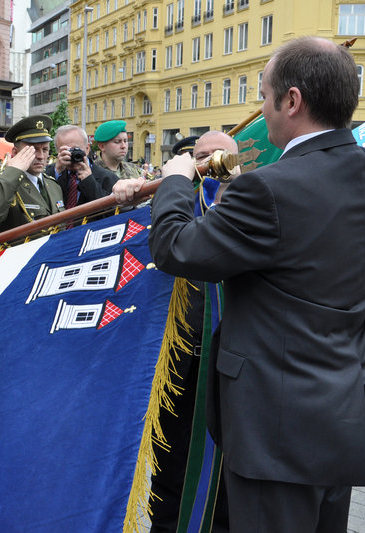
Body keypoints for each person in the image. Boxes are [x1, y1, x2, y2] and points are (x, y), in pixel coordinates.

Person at [137, 36, 365, 532]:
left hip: (275, 430)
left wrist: (178, 179)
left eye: (264, 96)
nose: (261, 110)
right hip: (335, 416)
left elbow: (175, 249)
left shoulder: (268, 188)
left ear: (292, 101)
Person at [115, 131, 237, 532]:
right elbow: (134, 243)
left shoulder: (253, 205)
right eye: (200, 157)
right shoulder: (176, 199)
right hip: (181, 367)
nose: (209, 165)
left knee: (226, 480)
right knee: (172, 473)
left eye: (220, 158)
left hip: (237, 371)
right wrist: (130, 197)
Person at [0, 115, 64, 231]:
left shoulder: (53, 185)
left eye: (45, 149)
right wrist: (13, 171)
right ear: (15, 152)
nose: (41, 156)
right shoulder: (6, 181)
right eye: (32, 150)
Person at [45, 124, 119, 209]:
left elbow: (111, 211)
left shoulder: (108, 178)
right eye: (66, 151)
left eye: (76, 149)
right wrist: (57, 171)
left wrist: (89, 181)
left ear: (87, 148)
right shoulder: (49, 173)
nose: (71, 155)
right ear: (58, 152)